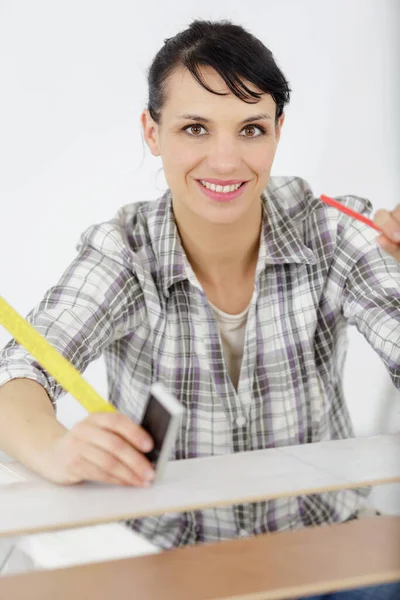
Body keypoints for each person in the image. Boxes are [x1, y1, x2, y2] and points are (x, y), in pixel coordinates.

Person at [0, 19, 399, 599]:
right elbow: (17, 374)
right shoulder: (126, 250)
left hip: (328, 548)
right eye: (194, 128)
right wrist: (56, 447)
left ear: (278, 132)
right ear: (152, 131)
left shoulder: (334, 231)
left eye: (251, 129)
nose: (225, 160)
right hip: (174, 568)